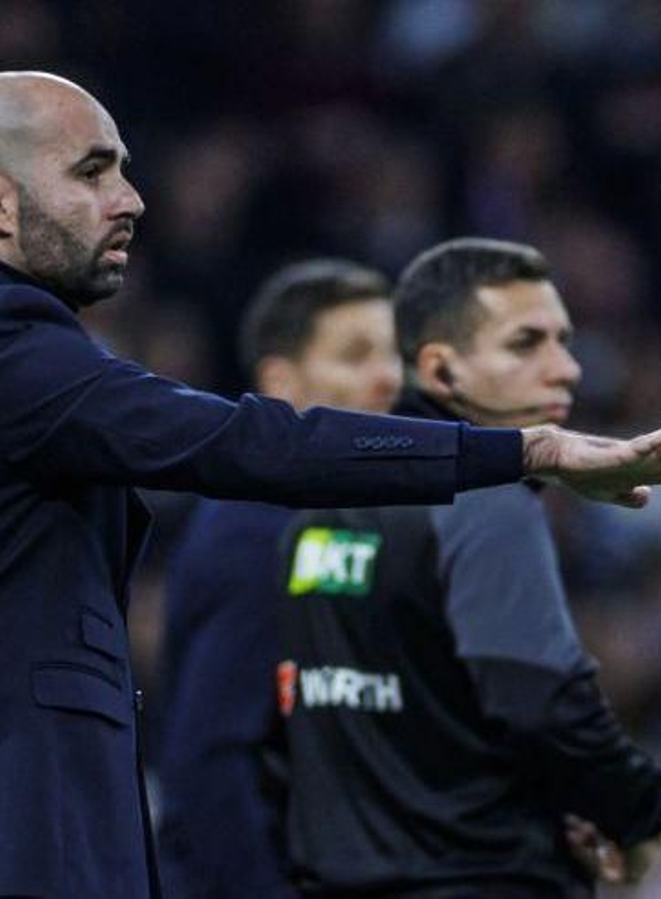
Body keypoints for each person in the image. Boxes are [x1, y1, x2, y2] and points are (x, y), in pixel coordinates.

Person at [0, 72, 661, 899]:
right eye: (93, 172)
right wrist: (527, 450)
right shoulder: (0, 343)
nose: (130, 199)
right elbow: (246, 443)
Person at [273, 237, 661, 897]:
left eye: (565, 340)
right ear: (441, 372)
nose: (568, 369)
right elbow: (542, 704)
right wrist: (643, 811)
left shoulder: (314, 513)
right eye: (527, 343)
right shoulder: (487, 505)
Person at [158, 259, 402, 898]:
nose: (387, 379)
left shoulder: (353, 527)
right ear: (280, 383)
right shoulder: (258, 531)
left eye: (391, 355)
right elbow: (211, 760)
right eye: (355, 356)